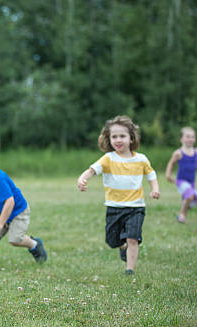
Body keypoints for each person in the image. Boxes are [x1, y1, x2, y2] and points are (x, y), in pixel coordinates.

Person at [77, 115, 160, 275]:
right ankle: (122, 247)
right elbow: (93, 170)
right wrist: (83, 178)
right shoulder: (108, 158)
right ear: (109, 139)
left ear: (131, 138)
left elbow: (151, 175)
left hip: (136, 207)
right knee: (112, 240)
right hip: (114, 207)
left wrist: (154, 188)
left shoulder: (141, 159)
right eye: (114, 136)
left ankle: (130, 269)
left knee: (132, 238)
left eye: (122, 136)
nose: (118, 139)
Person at [165, 126, 197, 223]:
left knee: (191, 198)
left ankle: (187, 202)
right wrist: (168, 175)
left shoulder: (196, 152)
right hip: (181, 181)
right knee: (190, 195)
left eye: (192, 137)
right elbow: (171, 163)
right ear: (181, 139)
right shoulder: (178, 153)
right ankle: (182, 215)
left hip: (192, 182)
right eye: (187, 136)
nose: (190, 139)